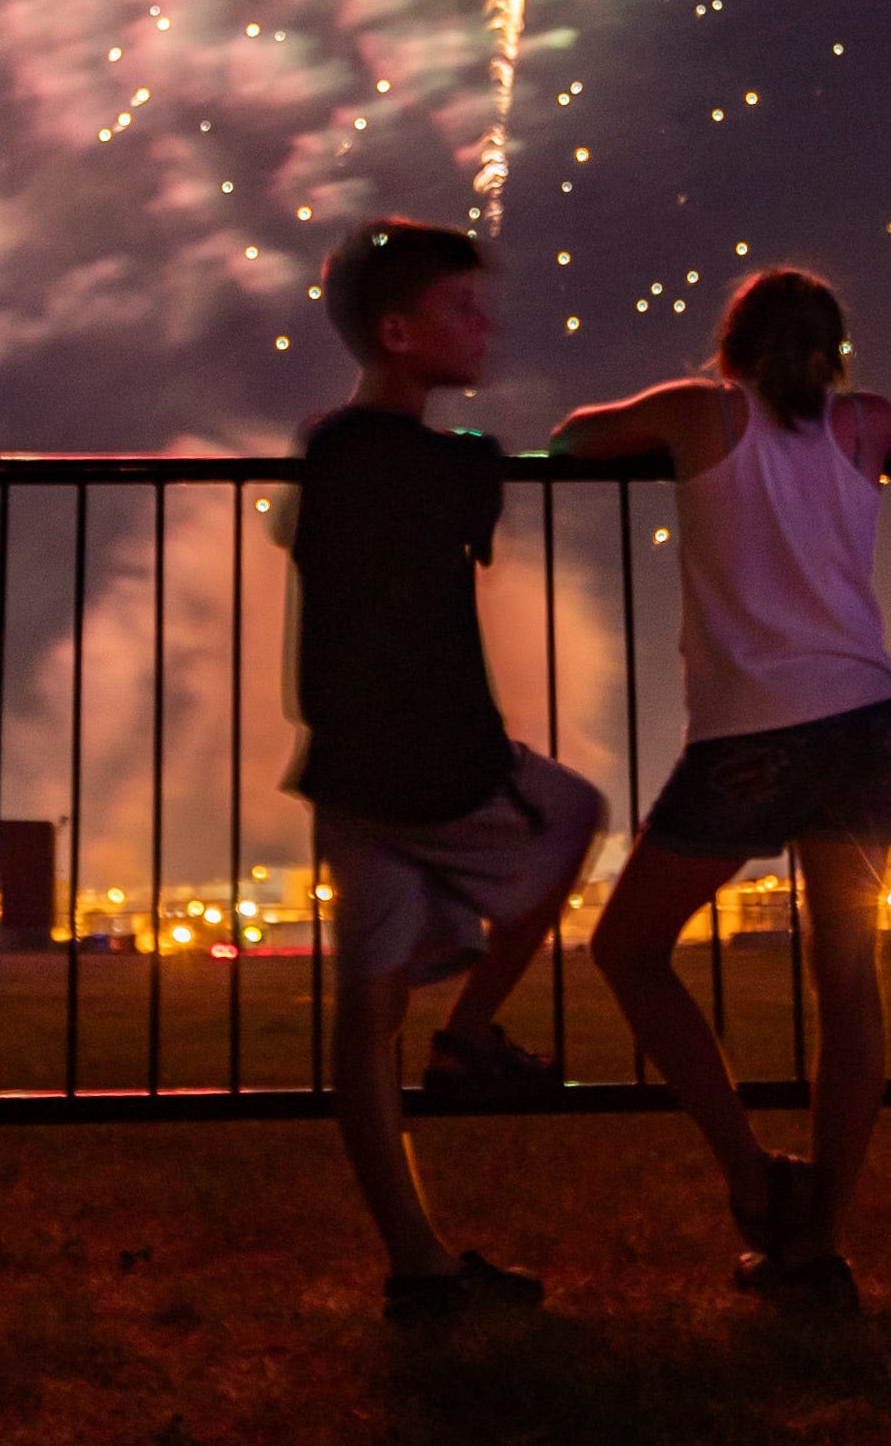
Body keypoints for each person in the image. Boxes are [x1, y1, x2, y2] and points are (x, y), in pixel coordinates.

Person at [553, 265, 891, 1313]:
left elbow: (579, 433)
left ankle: (752, 1176)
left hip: (755, 730)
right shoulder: (861, 425)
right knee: (848, 985)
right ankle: (821, 1243)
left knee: (627, 949)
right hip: (862, 722)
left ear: (732, 348)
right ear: (834, 353)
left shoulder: (700, 412)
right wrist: (855, 411)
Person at [286, 217, 606, 1324]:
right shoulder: (444, 463)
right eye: (464, 309)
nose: (487, 325)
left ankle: (417, 1264)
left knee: (364, 1014)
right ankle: (470, 1031)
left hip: (353, 771)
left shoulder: (331, 451)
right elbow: (470, 498)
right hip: (440, 763)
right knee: (576, 815)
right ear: (397, 331)